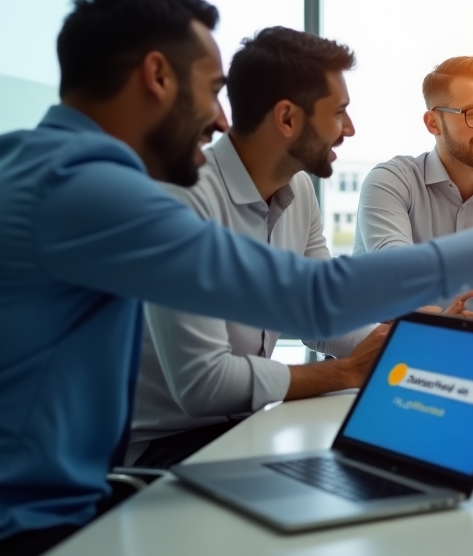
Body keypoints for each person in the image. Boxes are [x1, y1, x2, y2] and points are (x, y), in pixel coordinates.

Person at [0, 0, 473, 556]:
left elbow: (315, 302)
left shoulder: (39, 165)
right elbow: (310, 299)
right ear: (156, 76)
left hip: (46, 509)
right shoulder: (82, 188)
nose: (223, 116)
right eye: (213, 89)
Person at [129, 27, 391, 469]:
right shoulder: (184, 197)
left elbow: (319, 314)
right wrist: (346, 372)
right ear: (287, 119)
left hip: (248, 427)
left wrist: (394, 343)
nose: (349, 129)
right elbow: (204, 386)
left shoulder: (299, 189)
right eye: (339, 113)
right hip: (166, 449)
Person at [355, 56, 473, 328]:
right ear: (433, 123)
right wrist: (437, 323)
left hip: (470, 354)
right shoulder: (390, 182)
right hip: (380, 351)